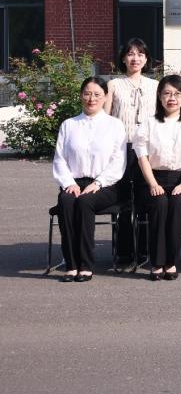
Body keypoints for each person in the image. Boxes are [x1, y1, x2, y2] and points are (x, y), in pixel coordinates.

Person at [134, 75, 181, 280]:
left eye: (177, 94)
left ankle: (170, 261)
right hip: (153, 179)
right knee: (159, 202)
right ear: (159, 96)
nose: (172, 98)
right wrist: (152, 184)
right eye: (167, 93)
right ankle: (157, 262)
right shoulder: (149, 123)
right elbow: (142, 158)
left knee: (177, 203)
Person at [51, 77, 127, 282]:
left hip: (106, 185)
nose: (91, 99)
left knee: (85, 202)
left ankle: (85, 264)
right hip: (74, 182)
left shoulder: (115, 125)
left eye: (97, 94)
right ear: (81, 95)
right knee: (66, 202)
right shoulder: (69, 125)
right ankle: (71, 264)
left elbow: (118, 161)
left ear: (105, 98)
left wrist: (98, 183)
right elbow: (59, 159)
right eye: (87, 93)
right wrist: (69, 183)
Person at [103, 37, 158, 267]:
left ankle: (145, 249)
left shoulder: (155, 85)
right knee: (123, 198)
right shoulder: (114, 85)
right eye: (131, 54)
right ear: (123, 58)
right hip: (121, 147)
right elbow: (105, 118)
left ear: (146, 59)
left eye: (140, 54)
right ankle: (124, 250)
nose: (135, 58)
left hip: (148, 148)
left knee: (146, 196)